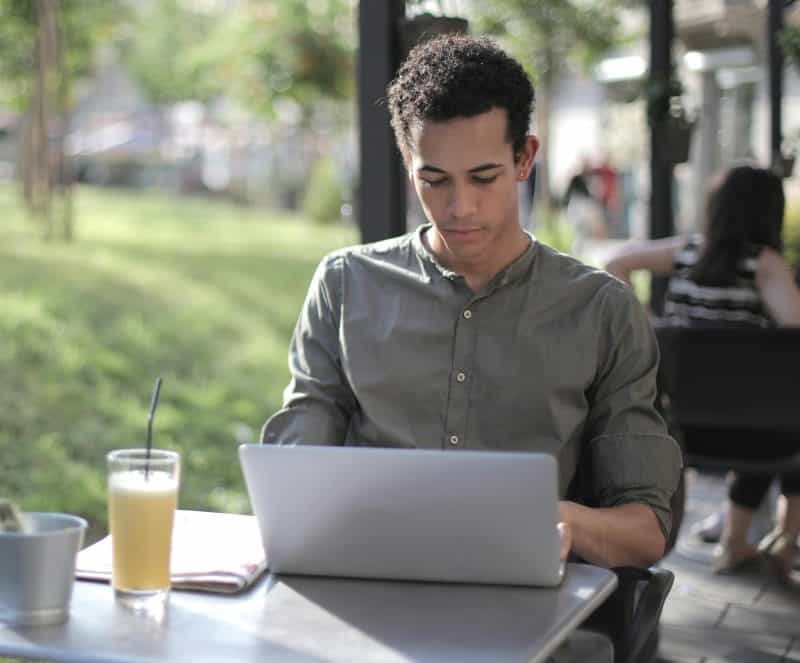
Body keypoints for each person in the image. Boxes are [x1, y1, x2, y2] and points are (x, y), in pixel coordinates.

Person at [261, 35, 682, 572]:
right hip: (369, 586)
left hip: (529, 612)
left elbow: (645, 532)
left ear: (524, 158)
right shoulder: (345, 285)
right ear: (408, 162)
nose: (459, 207)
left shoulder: (601, 310)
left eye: (484, 178)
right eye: (433, 180)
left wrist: (553, 519)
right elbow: (296, 480)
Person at [605, 165, 800, 582]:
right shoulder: (765, 265)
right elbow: (794, 330)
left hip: (679, 427)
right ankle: (768, 538)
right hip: (755, 435)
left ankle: (747, 539)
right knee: (788, 416)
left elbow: (616, 262)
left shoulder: (686, 252)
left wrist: (648, 325)